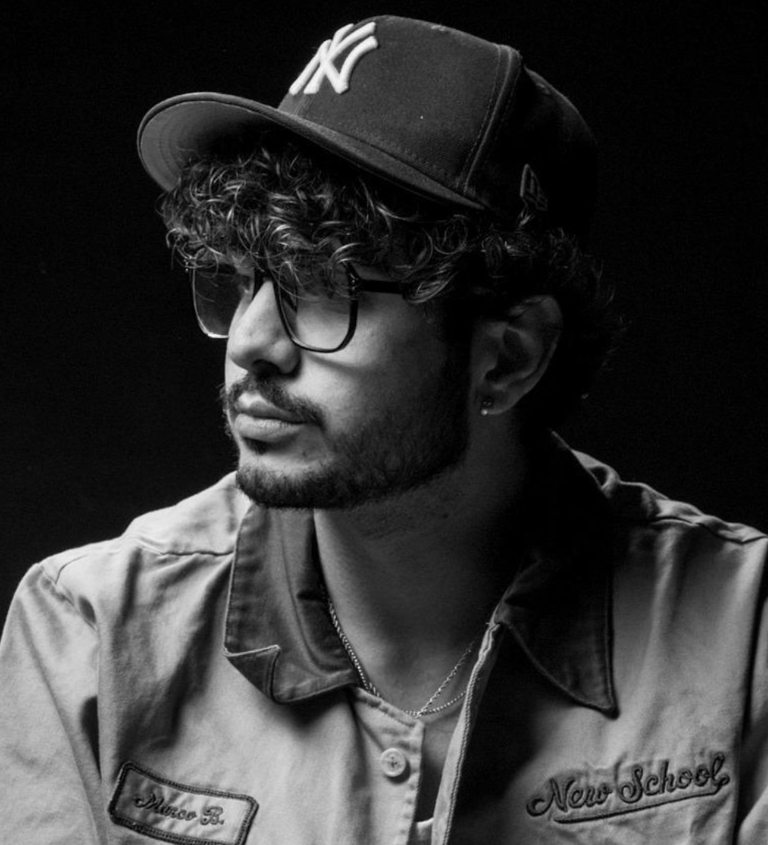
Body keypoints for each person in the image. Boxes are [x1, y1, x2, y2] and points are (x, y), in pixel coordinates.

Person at [1, 14, 766, 845]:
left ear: (507, 358)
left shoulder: (744, 640)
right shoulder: (91, 635)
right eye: (246, 277)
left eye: (325, 287)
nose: (251, 344)